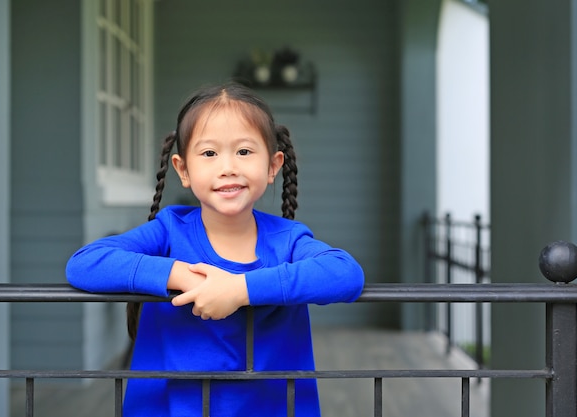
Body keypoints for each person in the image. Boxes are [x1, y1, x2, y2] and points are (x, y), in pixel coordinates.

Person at [66, 82, 365, 417]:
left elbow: (346, 273)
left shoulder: (287, 239)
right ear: (183, 170)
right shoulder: (169, 230)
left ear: (272, 166)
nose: (228, 167)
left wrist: (239, 289)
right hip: (170, 409)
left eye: (244, 151)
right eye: (209, 153)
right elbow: (85, 263)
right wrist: (181, 275)